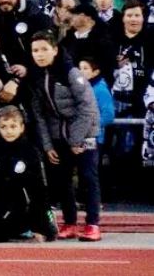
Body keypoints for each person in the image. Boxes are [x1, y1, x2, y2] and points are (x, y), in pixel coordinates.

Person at [29, 30, 102, 241]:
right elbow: (39, 114)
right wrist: (48, 144)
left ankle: (93, 224)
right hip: (57, 136)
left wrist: (76, 140)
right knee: (62, 181)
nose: (40, 54)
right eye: (35, 50)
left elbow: (88, 108)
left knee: (88, 179)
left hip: (84, 135)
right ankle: (70, 223)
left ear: (55, 49)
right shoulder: (36, 76)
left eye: (44, 49)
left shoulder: (71, 73)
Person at [0, 105, 57, 242]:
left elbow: (40, 190)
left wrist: (41, 226)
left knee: (45, 232)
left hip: (26, 202)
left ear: (22, 127)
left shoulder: (30, 152)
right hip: (1, 199)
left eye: (13, 126)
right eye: (4, 127)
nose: (8, 131)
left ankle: (40, 224)